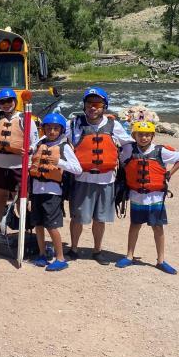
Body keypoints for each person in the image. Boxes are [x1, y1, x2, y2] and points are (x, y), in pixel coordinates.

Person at [66, 86, 132, 264]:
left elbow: (128, 145)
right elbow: (57, 139)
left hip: (106, 179)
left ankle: (97, 250)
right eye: (89, 103)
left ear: (104, 106)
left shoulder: (114, 125)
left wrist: (125, 163)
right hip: (82, 179)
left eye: (97, 104)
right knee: (78, 218)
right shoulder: (74, 124)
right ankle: (73, 248)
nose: (92, 107)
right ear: (84, 105)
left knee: (100, 219)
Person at [115, 121, 179, 274]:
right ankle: (129, 256)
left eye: (147, 135)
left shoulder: (161, 151)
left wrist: (169, 173)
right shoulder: (128, 150)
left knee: (158, 228)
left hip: (156, 197)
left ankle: (161, 260)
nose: (144, 138)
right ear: (134, 136)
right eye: (140, 135)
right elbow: (120, 159)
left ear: (152, 136)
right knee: (135, 226)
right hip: (137, 196)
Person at [29, 113, 83, 272]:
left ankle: (60, 258)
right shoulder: (40, 143)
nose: (52, 131)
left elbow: (78, 169)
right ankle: (42, 253)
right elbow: (31, 158)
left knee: (51, 226)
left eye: (55, 128)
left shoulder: (64, 147)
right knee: (38, 224)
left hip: (53, 192)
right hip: (36, 190)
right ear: (44, 129)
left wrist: (59, 162)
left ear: (61, 130)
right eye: (48, 128)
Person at [0, 88, 38, 226]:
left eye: (9, 100)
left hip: (18, 166)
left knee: (21, 199)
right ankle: (1, 229)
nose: (6, 104)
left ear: (15, 101)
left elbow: (35, 141)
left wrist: (30, 149)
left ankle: (23, 230)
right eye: (2, 102)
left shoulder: (25, 118)